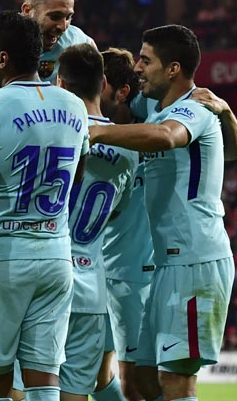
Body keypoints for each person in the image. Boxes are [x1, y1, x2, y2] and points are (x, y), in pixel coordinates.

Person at [89, 25, 237, 401]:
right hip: (167, 264)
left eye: (146, 60)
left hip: (195, 260)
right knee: (142, 379)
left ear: (173, 69)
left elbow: (164, 137)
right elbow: (233, 151)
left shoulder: (192, 109)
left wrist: (94, 132)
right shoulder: (160, 107)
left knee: (177, 384)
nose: (138, 68)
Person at [0, 11, 88, 401]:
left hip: (1, 261)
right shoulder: (73, 106)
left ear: (3, 59)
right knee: (44, 380)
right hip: (56, 257)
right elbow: (76, 177)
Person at [53, 45, 138, 401]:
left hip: (44, 272)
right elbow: (118, 210)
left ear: (59, 82)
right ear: (102, 82)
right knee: (77, 391)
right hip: (90, 282)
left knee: (20, 386)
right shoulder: (129, 150)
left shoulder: (51, 133)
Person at [96, 47, 149, 401]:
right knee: (94, 377)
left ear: (121, 91)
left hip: (134, 274)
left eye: (97, 87)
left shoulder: (154, 128)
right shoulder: (109, 135)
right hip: (100, 270)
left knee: (137, 385)